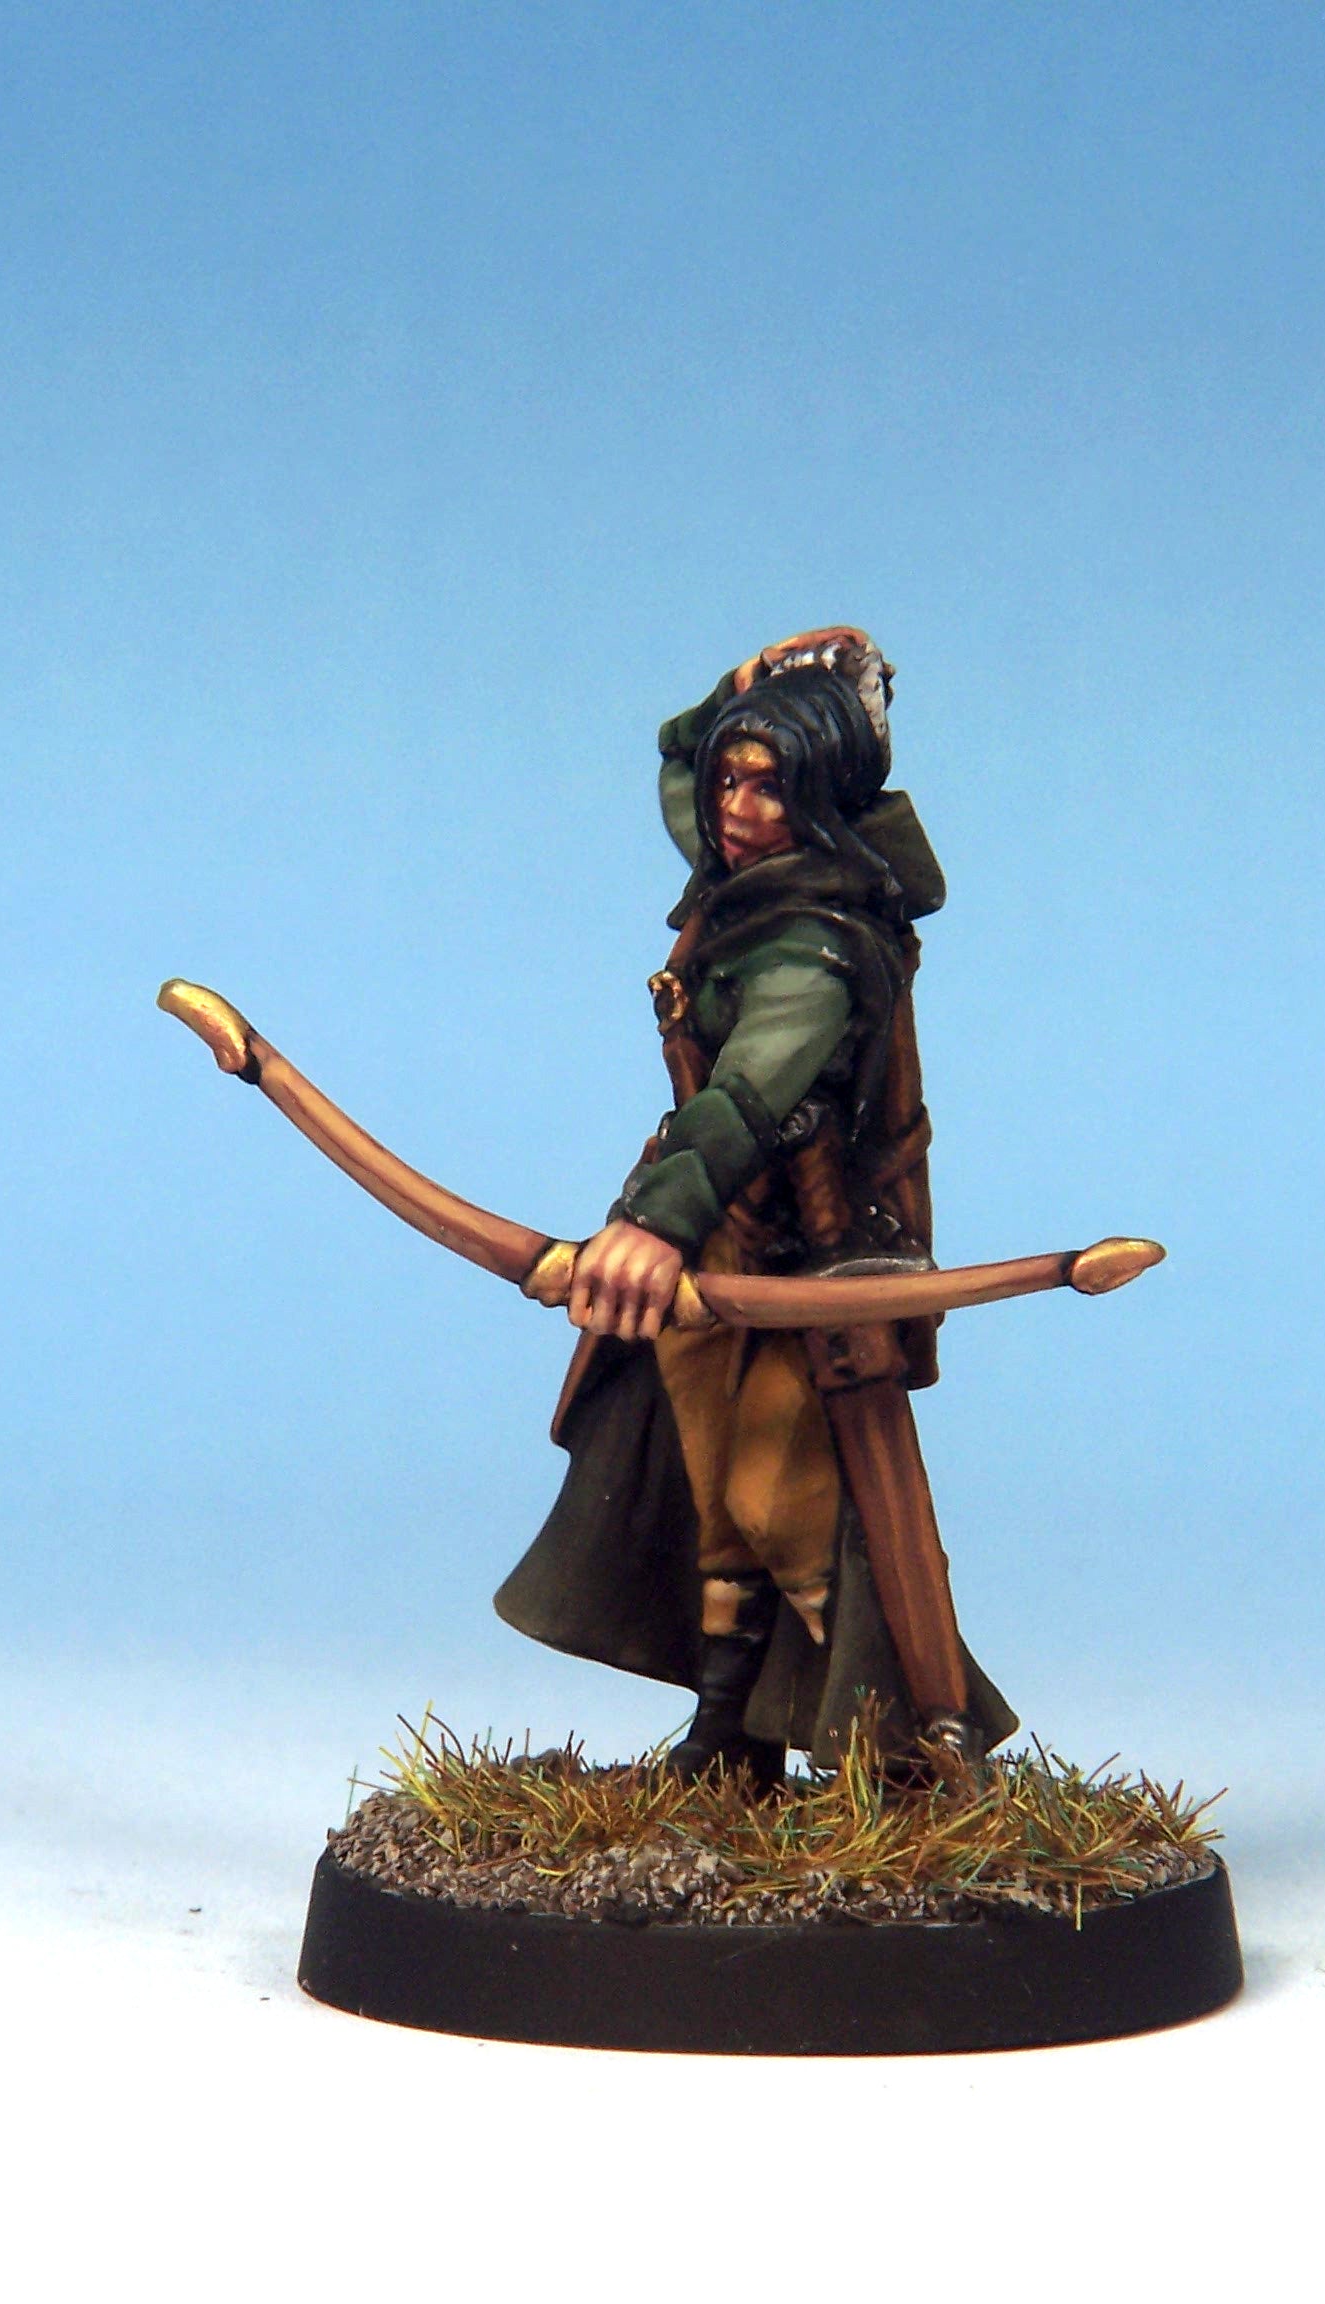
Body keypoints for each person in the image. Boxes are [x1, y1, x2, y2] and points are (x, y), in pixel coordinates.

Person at [495, 631, 1014, 1783]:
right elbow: (678, 760)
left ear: (819, 798)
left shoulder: (813, 950)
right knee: (713, 1506)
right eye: (733, 781)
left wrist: (649, 1226)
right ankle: (729, 1740)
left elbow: (746, 1096)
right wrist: (737, 692)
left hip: (810, 1260)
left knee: (781, 1505)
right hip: (719, 1245)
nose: (735, 808)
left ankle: (895, 1758)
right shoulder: (746, 876)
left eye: (769, 785)